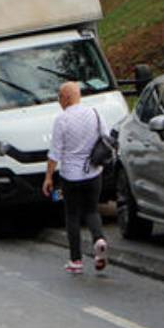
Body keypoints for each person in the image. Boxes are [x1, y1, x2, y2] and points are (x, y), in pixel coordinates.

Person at [42, 81, 108, 274]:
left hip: (70, 176)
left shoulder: (62, 120)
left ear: (67, 97)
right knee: (92, 210)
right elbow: (105, 137)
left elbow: (55, 152)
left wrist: (48, 177)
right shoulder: (95, 113)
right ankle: (99, 239)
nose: (59, 101)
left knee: (72, 215)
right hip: (94, 172)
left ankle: (76, 260)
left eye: (60, 97)